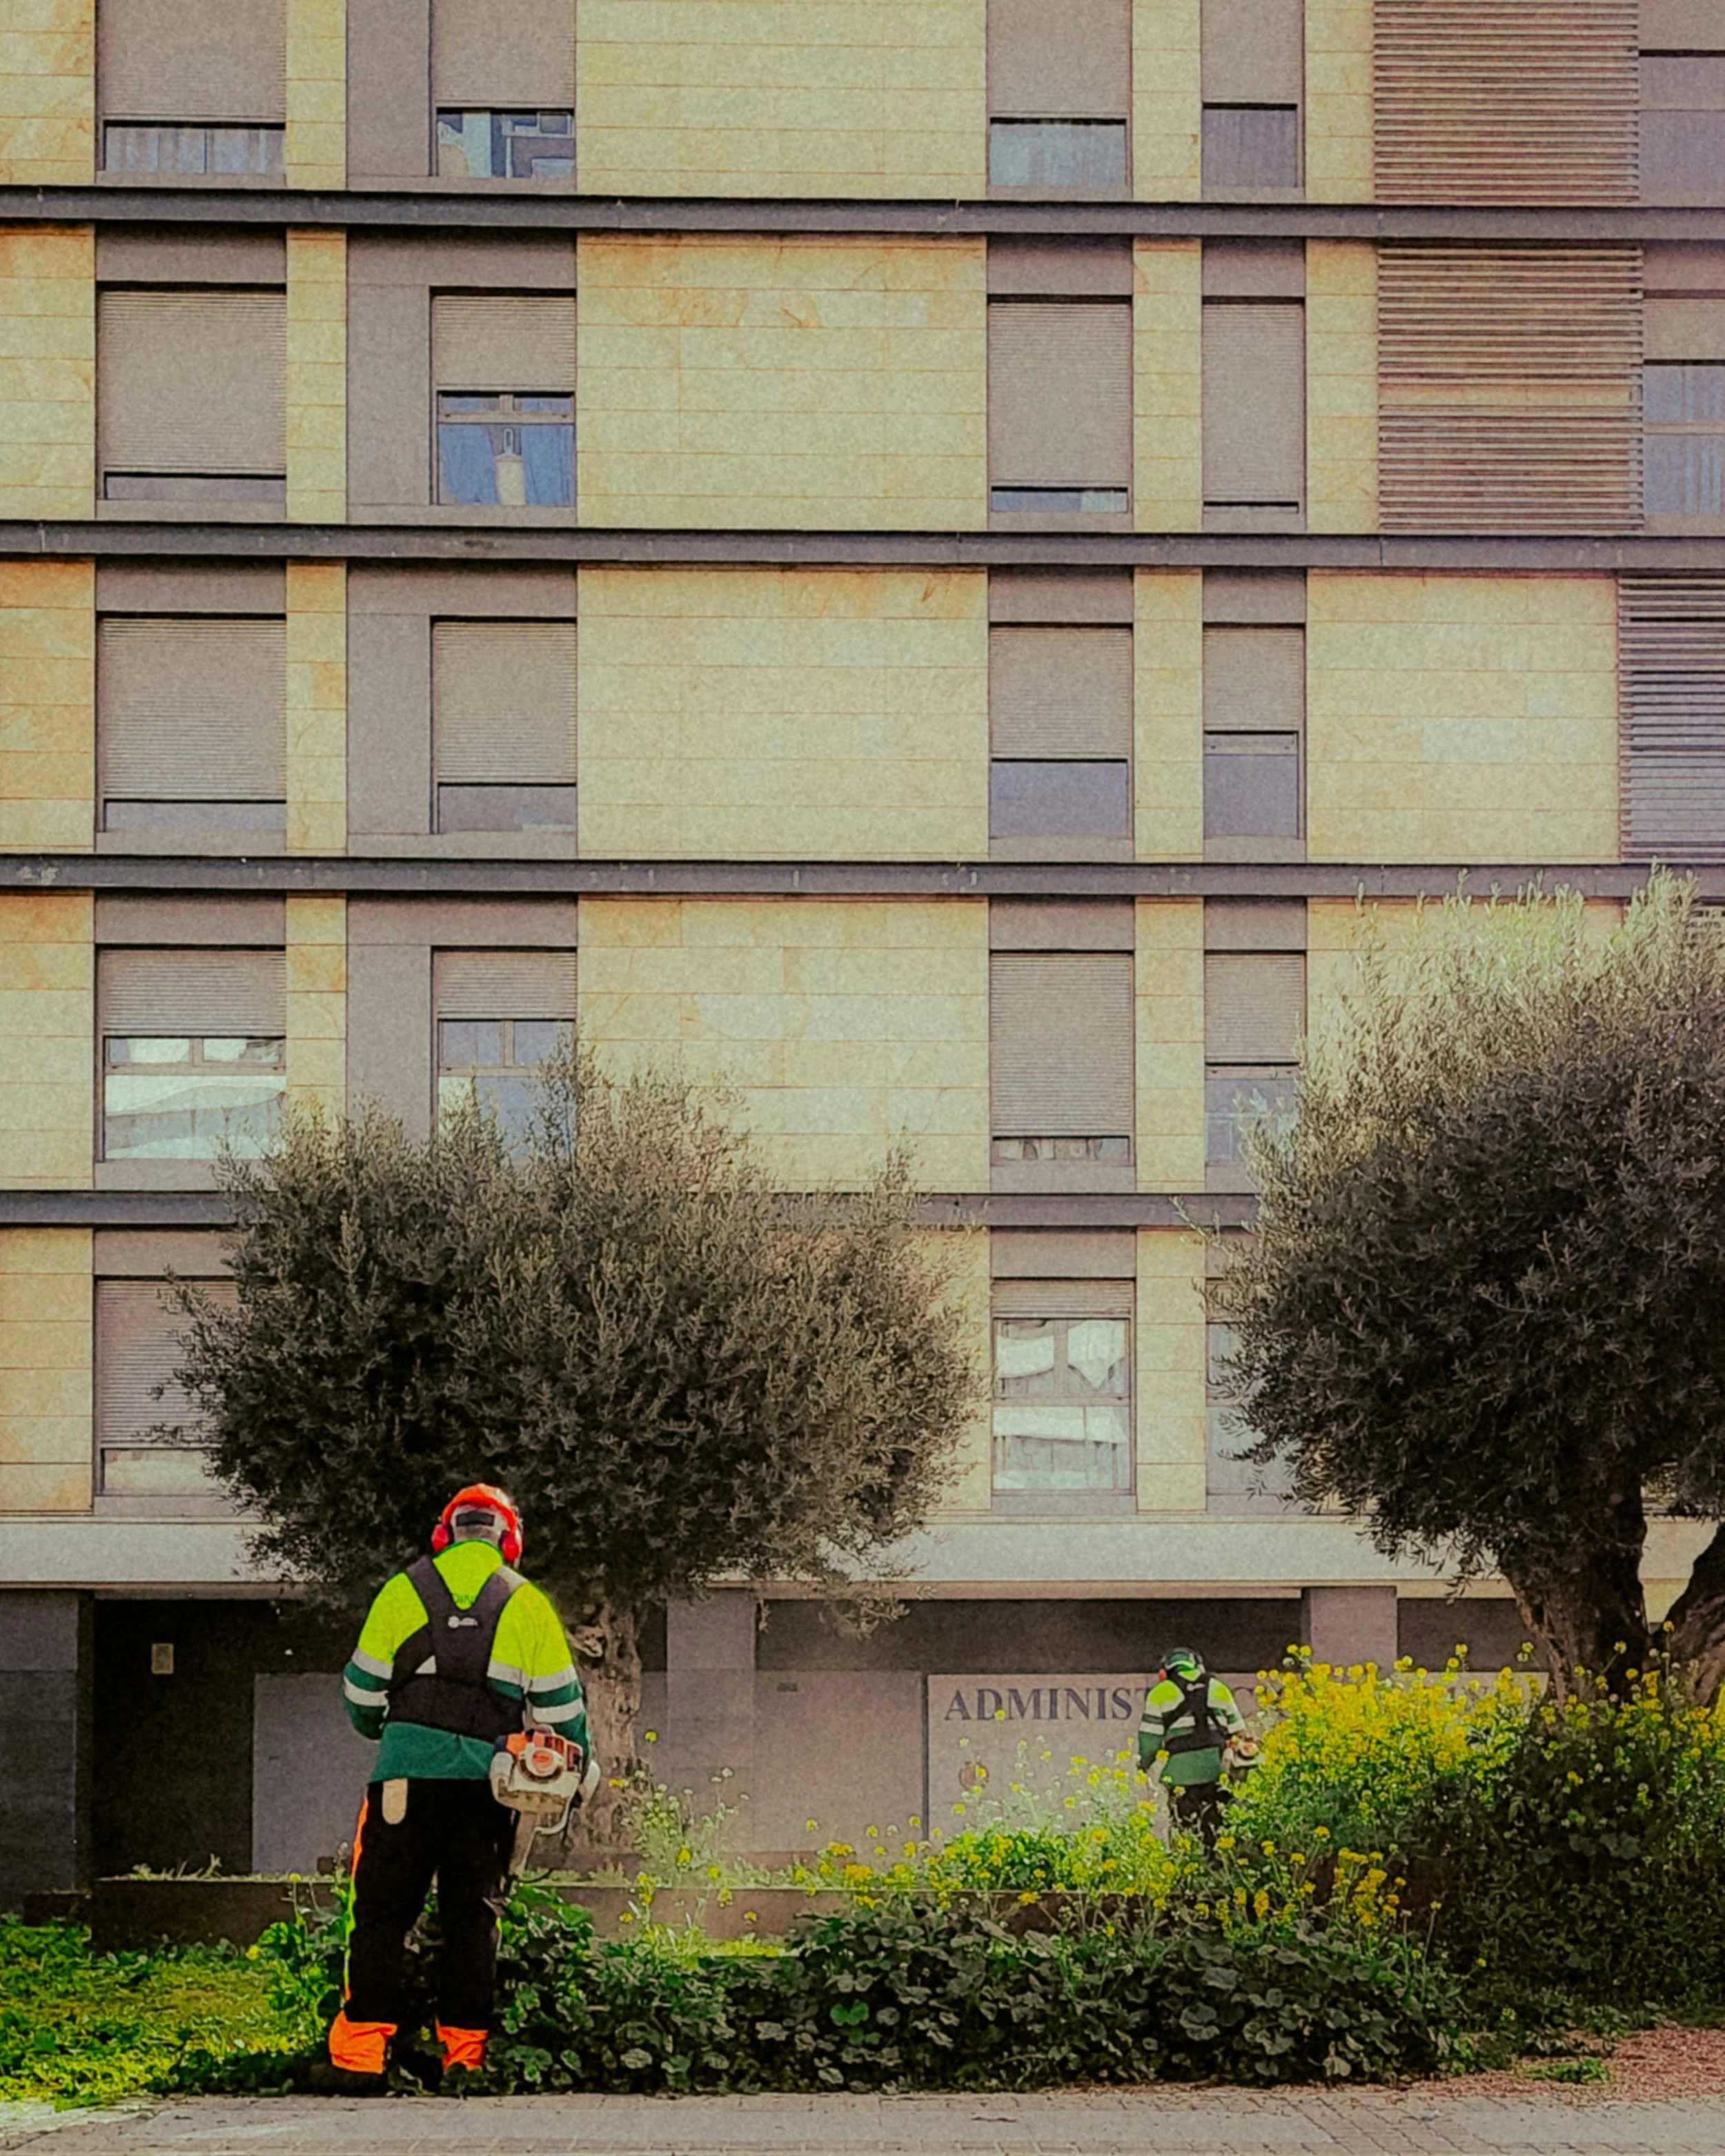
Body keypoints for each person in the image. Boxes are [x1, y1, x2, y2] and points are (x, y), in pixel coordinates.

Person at [324, 1483, 594, 2090]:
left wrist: (390, 1734)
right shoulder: (528, 1603)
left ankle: (362, 2057)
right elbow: (561, 1712)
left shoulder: (401, 1590)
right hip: (487, 1791)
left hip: (402, 1788)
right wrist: (580, 1773)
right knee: (473, 1922)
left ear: (444, 1534)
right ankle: (464, 2060)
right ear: (510, 1541)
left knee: (380, 1916)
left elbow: (362, 1695)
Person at [1136, 1646, 1249, 1854]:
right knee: (1219, 1834)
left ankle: (1188, 1877)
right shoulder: (1218, 1688)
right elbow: (1239, 1733)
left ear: (1165, 1672)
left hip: (1180, 1779)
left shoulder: (1159, 1694)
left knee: (1185, 1835)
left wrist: (1143, 1765)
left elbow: (1149, 1743)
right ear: (1198, 1666)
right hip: (1219, 1776)